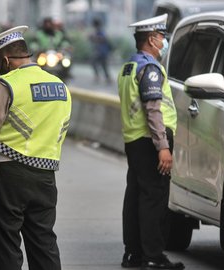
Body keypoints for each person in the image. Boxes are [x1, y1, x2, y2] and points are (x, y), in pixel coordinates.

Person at [0, 25, 72, 270]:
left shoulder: (7, 85)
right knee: (43, 242)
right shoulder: (59, 86)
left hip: (8, 176)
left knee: (6, 244)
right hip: (46, 177)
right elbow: (61, 130)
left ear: (6, 59)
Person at [117, 14, 184, 270]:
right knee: (153, 199)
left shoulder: (128, 67)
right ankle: (153, 256)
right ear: (151, 39)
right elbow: (153, 110)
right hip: (151, 141)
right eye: (162, 37)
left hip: (134, 141)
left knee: (135, 196)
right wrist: (163, 146)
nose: (164, 41)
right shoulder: (150, 68)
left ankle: (133, 254)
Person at [89, 18, 113, 84]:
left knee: (101, 65)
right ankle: (107, 78)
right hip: (100, 51)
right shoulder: (97, 31)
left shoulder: (100, 31)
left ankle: (105, 78)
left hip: (102, 52)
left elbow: (104, 38)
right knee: (101, 65)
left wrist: (94, 38)